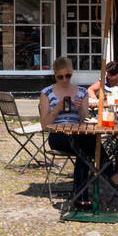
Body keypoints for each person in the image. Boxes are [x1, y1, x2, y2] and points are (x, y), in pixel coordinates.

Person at [38, 56, 97, 211]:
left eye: (68, 76)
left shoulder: (82, 92)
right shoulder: (46, 93)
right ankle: (111, 173)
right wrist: (56, 109)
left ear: (72, 73)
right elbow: (44, 125)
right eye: (60, 77)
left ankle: (80, 198)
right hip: (58, 135)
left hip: (78, 134)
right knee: (88, 145)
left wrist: (81, 109)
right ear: (55, 75)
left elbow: (85, 120)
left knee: (85, 145)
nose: (64, 80)